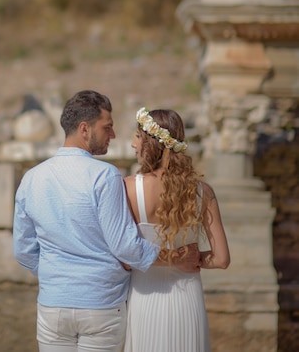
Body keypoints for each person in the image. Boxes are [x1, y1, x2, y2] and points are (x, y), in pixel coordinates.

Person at [13, 90, 200, 352]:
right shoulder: (105, 176)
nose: (112, 135)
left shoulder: (31, 178)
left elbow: (23, 251)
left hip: (52, 304)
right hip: (101, 304)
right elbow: (126, 247)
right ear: (84, 129)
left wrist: (55, 276)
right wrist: (178, 257)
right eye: (107, 127)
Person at [124, 107, 230, 352]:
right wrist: (192, 258)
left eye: (138, 137)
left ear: (152, 143)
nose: (132, 144)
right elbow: (222, 259)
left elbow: (125, 256)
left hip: (145, 298)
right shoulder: (204, 192)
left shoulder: (129, 188)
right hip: (187, 299)